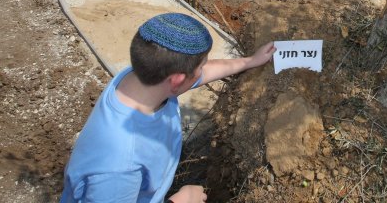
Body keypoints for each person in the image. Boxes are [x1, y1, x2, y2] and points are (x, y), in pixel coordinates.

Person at [60, 13, 275, 203]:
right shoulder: (120, 164)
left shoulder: (139, 79)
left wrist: (249, 61)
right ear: (176, 81)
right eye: (199, 67)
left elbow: (197, 75)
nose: (202, 72)